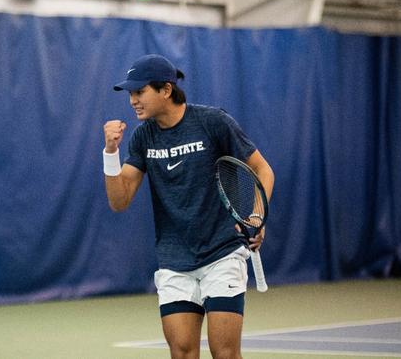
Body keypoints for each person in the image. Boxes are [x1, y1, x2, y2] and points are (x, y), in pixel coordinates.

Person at [102, 54, 274, 359]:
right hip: (174, 260)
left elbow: (262, 169)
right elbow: (120, 200)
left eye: (139, 92)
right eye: (130, 94)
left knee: (224, 353)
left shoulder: (213, 122)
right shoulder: (143, 137)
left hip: (221, 253)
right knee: (182, 353)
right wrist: (110, 152)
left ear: (166, 90)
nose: (132, 101)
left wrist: (256, 215)